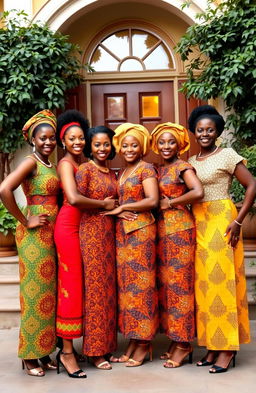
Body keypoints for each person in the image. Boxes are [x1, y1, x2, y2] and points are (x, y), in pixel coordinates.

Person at [188, 105, 256, 373]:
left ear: (217, 132)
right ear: (194, 132)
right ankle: (212, 346)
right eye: (200, 130)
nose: (205, 134)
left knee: (222, 284)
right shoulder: (191, 161)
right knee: (204, 287)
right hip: (198, 223)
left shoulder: (227, 155)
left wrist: (239, 220)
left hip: (221, 222)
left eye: (210, 130)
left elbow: (252, 184)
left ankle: (227, 349)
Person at [0, 110, 59, 377]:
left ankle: (44, 351)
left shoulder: (49, 163)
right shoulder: (30, 162)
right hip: (35, 238)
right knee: (35, 295)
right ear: (33, 140)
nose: (48, 142)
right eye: (43, 138)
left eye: (52, 138)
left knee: (48, 295)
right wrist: (25, 220)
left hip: (51, 236)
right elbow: (4, 189)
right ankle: (29, 356)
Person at [103, 123, 159, 367]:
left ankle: (145, 343)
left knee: (142, 289)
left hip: (142, 232)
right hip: (123, 235)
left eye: (134, 145)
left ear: (142, 147)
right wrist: (118, 211)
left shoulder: (146, 169)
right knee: (128, 291)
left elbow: (153, 200)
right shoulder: (122, 171)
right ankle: (134, 341)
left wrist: (123, 207)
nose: (128, 149)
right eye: (125, 145)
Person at [151, 123, 203, 368]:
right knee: (169, 288)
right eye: (161, 142)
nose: (166, 146)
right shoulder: (160, 169)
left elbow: (197, 191)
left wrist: (172, 203)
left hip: (180, 231)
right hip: (163, 232)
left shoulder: (183, 166)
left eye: (171, 142)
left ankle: (183, 343)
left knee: (180, 288)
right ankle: (175, 339)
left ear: (180, 144)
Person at [75, 126, 118, 370]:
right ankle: (94, 351)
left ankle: (108, 345)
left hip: (110, 234)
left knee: (109, 291)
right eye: (97, 144)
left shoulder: (112, 173)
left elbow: (115, 203)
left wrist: (119, 211)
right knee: (96, 292)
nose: (102, 149)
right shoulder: (85, 170)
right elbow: (76, 200)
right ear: (90, 147)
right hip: (91, 233)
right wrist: (104, 204)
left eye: (106, 144)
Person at [54, 110, 90, 378]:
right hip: (68, 227)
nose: (77, 142)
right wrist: (105, 205)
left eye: (80, 138)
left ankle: (79, 346)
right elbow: (75, 199)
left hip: (86, 228)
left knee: (84, 287)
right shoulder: (66, 164)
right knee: (71, 286)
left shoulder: (85, 162)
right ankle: (66, 352)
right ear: (63, 142)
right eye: (72, 139)